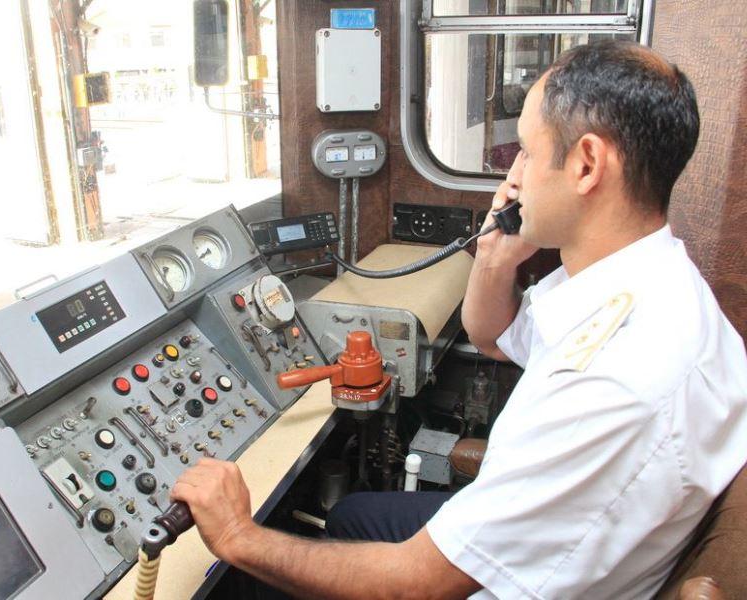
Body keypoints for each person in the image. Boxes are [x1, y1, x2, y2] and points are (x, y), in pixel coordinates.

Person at [171, 40, 747, 599]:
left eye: (523, 149)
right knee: (354, 515)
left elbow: (416, 584)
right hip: (543, 542)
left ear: (587, 164)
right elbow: (494, 337)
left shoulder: (612, 379)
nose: (512, 176)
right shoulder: (637, 283)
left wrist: (240, 538)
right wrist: (495, 253)